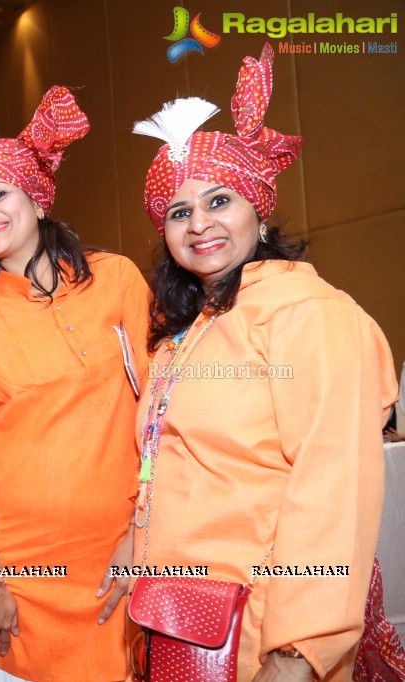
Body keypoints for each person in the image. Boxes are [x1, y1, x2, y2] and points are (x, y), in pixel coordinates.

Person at [131, 43, 397, 680]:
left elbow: (333, 491)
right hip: (180, 620)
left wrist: (296, 651)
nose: (199, 224)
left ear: (258, 205)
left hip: (262, 632)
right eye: (179, 211)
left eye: (219, 201)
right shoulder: (187, 333)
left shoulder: (311, 315)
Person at [0, 86, 151, 682]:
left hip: (117, 554)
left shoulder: (116, 281)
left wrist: (142, 533)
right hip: (19, 572)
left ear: (36, 197)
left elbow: (161, 417)